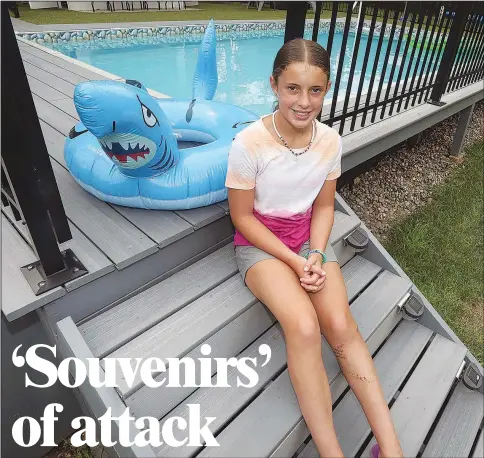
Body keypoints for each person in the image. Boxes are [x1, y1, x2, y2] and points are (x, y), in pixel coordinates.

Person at [225, 38, 404, 458]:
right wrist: (294, 259)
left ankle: (391, 448)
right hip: (261, 245)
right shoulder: (249, 144)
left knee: (341, 325)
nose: (304, 102)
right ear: (274, 85)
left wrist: (316, 253)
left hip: (308, 242)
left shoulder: (330, 141)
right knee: (305, 327)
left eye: (315, 90)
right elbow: (243, 218)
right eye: (293, 89)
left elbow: (324, 206)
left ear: (326, 90)